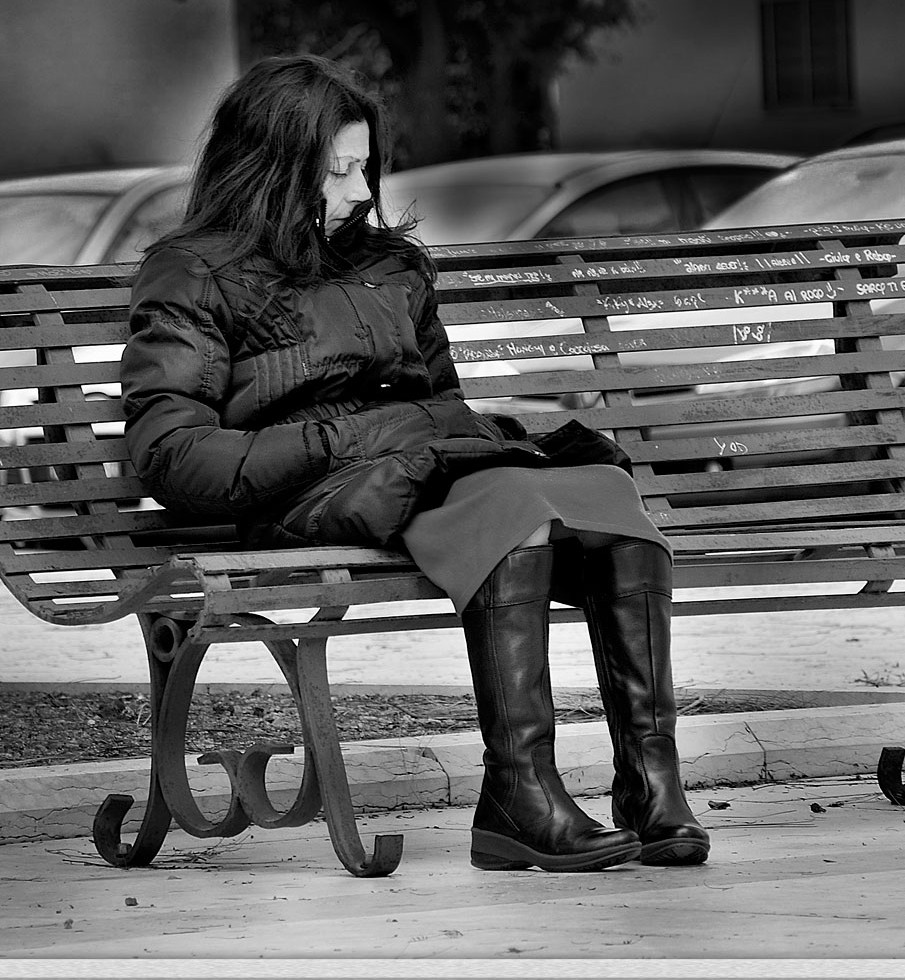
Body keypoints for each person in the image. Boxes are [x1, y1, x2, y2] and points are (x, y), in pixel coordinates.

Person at [119, 54, 707, 872]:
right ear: (271, 169)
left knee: (606, 493)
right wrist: (339, 438)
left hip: (405, 472)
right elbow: (171, 453)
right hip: (298, 489)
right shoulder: (192, 273)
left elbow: (439, 406)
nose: (361, 192)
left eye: (365, 166)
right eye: (338, 171)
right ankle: (519, 789)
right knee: (509, 508)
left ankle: (650, 783)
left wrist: (445, 435)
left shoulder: (389, 264)